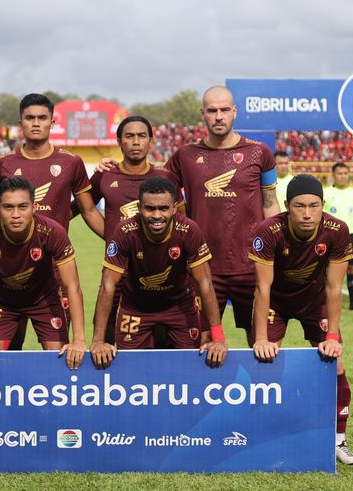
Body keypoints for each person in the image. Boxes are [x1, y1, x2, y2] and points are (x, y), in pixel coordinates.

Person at [250, 174, 353, 466]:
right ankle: (264, 437)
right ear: (287, 206)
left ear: (323, 205)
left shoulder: (337, 230)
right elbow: (262, 288)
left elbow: (334, 287)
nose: (307, 213)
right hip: (276, 300)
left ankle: (339, 441)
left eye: (314, 205)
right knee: (264, 362)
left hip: (314, 301)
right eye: (300, 206)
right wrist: (260, 338)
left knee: (336, 363)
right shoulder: (268, 230)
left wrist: (333, 336)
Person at [165, 86, 279, 343]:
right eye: (213, 110)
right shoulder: (185, 155)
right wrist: (115, 166)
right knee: (201, 340)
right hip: (201, 266)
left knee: (261, 341)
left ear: (234, 112)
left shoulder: (260, 153)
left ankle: (259, 386)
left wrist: (278, 248)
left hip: (251, 264)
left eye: (225, 110)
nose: (219, 116)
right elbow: (159, 190)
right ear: (202, 113)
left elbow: (270, 204)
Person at [0, 93, 104, 349]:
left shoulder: (70, 163)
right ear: (20, 124)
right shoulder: (3, 164)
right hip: (12, 268)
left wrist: (121, 242)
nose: (35, 123)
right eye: (29, 118)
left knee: (59, 353)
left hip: (55, 269)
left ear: (52, 123)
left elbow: (88, 211)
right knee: (7, 350)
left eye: (42, 118)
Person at [89, 177, 227, 369]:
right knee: (130, 370)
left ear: (174, 208)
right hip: (136, 308)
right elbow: (107, 285)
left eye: (163, 208)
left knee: (189, 368)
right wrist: (98, 340)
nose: (156, 215)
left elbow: (205, 283)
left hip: (178, 306)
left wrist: (218, 337)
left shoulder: (189, 230)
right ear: (139, 207)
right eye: (149, 208)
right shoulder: (125, 231)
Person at [0, 177, 86, 370]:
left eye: (22, 206)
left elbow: (72, 286)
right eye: (8, 207)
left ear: (34, 207)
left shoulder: (53, 231)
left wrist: (79, 340)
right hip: (2, 301)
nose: (16, 214)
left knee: (59, 360)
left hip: (44, 300)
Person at [86, 115, 184, 344]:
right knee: (107, 332)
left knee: (162, 336)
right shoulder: (105, 174)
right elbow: (86, 208)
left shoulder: (166, 177)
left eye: (142, 136)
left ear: (151, 141)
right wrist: (112, 237)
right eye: (129, 136)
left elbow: (181, 220)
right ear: (119, 141)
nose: (136, 141)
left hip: (159, 268)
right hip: (117, 268)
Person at [324, 162, 353, 310]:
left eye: (345, 173)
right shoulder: (326, 193)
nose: (343, 176)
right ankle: (324, 302)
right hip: (330, 237)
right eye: (339, 173)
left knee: (352, 268)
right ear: (333, 175)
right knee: (328, 270)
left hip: (350, 236)